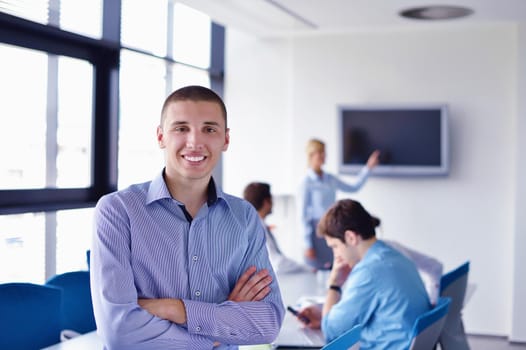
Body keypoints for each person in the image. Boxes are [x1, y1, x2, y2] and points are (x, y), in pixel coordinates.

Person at [90, 85, 285, 349]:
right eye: (181, 128)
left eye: (209, 129)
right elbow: (119, 331)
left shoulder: (244, 217)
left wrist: (175, 309)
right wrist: (220, 327)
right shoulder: (118, 211)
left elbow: (268, 322)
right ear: (161, 137)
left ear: (225, 139)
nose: (194, 142)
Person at [295, 199, 430, 349]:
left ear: (351, 238)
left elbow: (332, 332)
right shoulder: (395, 256)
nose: (336, 255)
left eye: (335, 246)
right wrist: (324, 318)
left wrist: (334, 284)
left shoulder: (369, 271)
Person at [299, 138, 380, 270]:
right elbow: (303, 217)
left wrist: (368, 168)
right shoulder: (306, 183)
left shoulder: (330, 179)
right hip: (316, 233)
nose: (324, 156)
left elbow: (354, 187)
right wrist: (307, 244)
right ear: (311, 155)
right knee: (317, 270)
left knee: (337, 266)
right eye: (320, 152)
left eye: (324, 152)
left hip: (332, 228)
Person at [243, 182, 312, 274]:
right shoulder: (257, 229)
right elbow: (276, 263)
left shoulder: (252, 225)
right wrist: (307, 269)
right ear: (267, 202)